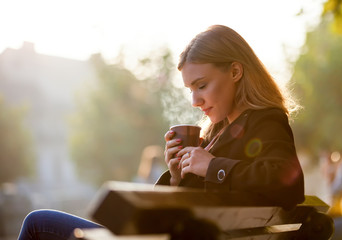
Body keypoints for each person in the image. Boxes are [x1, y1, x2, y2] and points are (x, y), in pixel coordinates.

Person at [17, 25, 304, 240]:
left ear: (235, 72)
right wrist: (177, 175)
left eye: (202, 85)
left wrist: (212, 166)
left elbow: (288, 185)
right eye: (191, 90)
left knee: (39, 223)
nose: (195, 101)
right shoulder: (219, 130)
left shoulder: (265, 119)